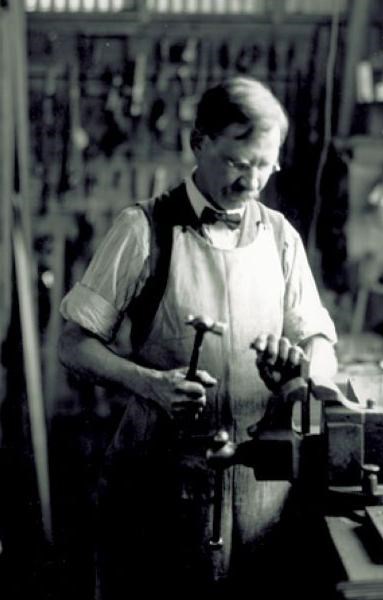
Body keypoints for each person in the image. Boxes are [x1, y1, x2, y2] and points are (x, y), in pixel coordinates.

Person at [58, 75, 337, 599]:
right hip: (157, 486)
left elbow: (320, 342)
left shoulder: (280, 236)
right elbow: (73, 344)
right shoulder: (143, 230)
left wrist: (300, 374)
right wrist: (149, 383)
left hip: (260, 498)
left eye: (265, 164)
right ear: (199, 143)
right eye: (237, 162)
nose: (253, 181)